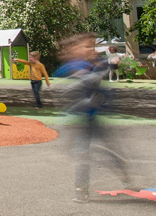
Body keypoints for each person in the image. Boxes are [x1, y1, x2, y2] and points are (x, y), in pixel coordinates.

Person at [55, 33, 131, 203]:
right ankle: (81, 190)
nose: (91, 50)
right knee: (83, 152)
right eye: (87, 46)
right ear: (75, 48)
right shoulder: (75, 65)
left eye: (92, 46)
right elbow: (74, 83)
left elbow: (98, 85)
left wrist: (98, 67)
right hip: (80, 118)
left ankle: (120, 173)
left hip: (92, 116)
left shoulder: (92, 64)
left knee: (98, 150)